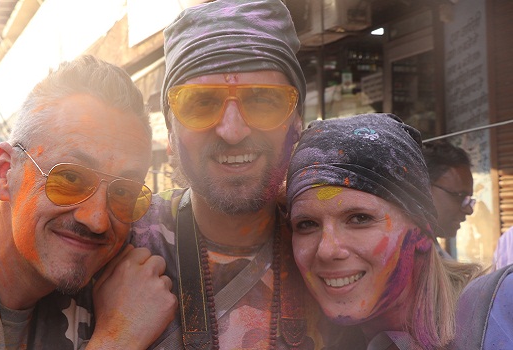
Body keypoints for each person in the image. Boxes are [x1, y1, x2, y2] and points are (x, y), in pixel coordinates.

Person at [0, 55, 176, 349]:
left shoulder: (74, 294)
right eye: (70, 178)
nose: (97, 219)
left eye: (123, 192)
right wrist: (120, 336)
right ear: (3, 174)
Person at [129, 0, 338, 348]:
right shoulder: (120, 245)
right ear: (169, 130)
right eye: (200, 103)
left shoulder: (336, 249)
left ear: (297, 122)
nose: (232, 130)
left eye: (263, 101)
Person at [286, 113, 483, 349]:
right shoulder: (315, 338)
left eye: (359, 218)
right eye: (307, 224)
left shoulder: (496, 314)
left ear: (422, 229)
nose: (327, 250)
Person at [422, 140, 475, 258]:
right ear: (423, 189)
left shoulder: (435, 255)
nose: (469, 210)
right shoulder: (397, 257)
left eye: (469, 199)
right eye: (460, 196)